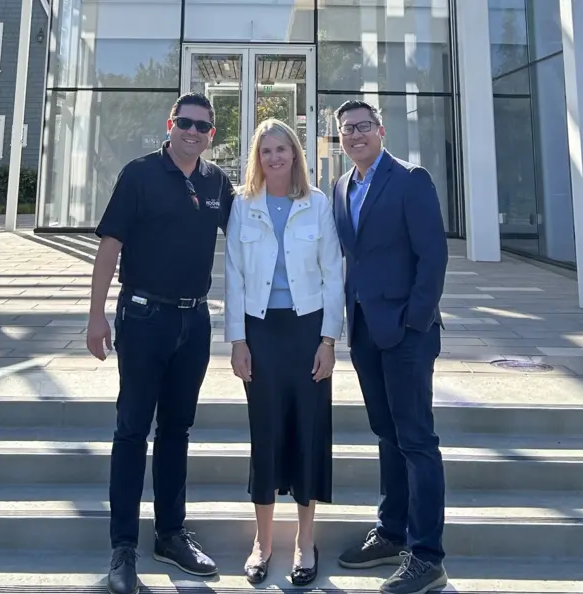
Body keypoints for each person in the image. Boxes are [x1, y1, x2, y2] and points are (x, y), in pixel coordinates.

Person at [86, 92, 235, 594]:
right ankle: (123, 547)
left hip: (194, 324)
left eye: (204, 126)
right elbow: (110, 246)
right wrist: (95, 317)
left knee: (177, 429)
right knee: (132, 430)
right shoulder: (140, 174)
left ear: (212, 134)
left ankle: (170, 533)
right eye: (186, 123)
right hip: (143, 317)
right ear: (171, 124)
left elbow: (251, 236)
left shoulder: (217, 182)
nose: (194, 132)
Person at [331, 100, 450, 594]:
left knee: (416, 439)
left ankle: (426, 556)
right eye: (345, 130)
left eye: (362, 126)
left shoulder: (410, 179)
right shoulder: (341, 187)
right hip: (364, 331)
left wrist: (414, 323)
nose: (354, 135)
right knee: (386, 433)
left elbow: (434, 256)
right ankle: (391, 530)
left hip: (406, 333)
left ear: (380, 130)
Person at [224, 118, 344, 587]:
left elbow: (334, 274)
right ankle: (263, 541)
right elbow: (232, 275)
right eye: (266, 150)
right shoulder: (242, 205)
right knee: (266, 430)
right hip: (260, 331)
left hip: (307, 329)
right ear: (257, 157)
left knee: (308, 431)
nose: (275, 157)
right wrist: (237, 340)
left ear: (296, 154)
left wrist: (329, 341)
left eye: (283, 149)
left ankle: (305, 541)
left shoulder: (316, 205)